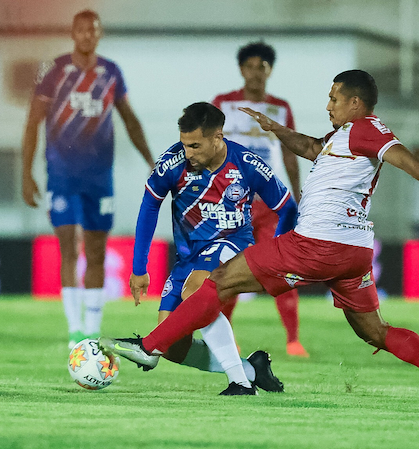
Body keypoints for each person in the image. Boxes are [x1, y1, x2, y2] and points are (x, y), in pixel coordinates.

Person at [100, 70, 419, 401]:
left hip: (317, 243)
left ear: (355, 102)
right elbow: (311, 147)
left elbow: (400, 154)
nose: (328, 105)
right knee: (376, 331)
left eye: (334, 98)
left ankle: (149, 348)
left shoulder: (366, 130)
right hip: (354, 253)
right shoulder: (343, 138)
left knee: (216, 283)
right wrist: (276, 128)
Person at [126, 102, 296, 395]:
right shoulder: (172, 162)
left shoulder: (246, 163)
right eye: (184, 144)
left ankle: (240, 384)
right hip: (188, 257)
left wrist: (278, 249)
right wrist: (139, 268)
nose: (188, 153)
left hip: (233, 244)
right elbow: (149, 206)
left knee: (195, 293)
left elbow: (287, 207)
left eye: (195, 145)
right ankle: (252, 369)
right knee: (173, 346)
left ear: (217, 137)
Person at [21, 10, 154, 349]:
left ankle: (91, 332)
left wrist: (152, 161)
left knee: (96, 250)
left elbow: (130, 120)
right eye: (81, 30)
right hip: (61, 174)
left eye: (92, 30)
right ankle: (74, 331)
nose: (87, 35)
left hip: (99, 177)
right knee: (68, 246)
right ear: (73, 33)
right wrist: (26, 172)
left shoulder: (110, 73)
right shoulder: (53, 70)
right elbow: (33, 121)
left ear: (99, 34)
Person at [211, 42, 308, 357]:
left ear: (269, 71)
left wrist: (299, 194)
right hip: (232, 203)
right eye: (250, 66)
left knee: (283, 270)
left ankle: (293, 340)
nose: (256, 73)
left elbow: (291, 155)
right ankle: (228, 340)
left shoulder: (281, 108)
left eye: (262, 67)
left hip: (271, 204)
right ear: (242, 70)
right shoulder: (223, 104)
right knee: (228, 271)